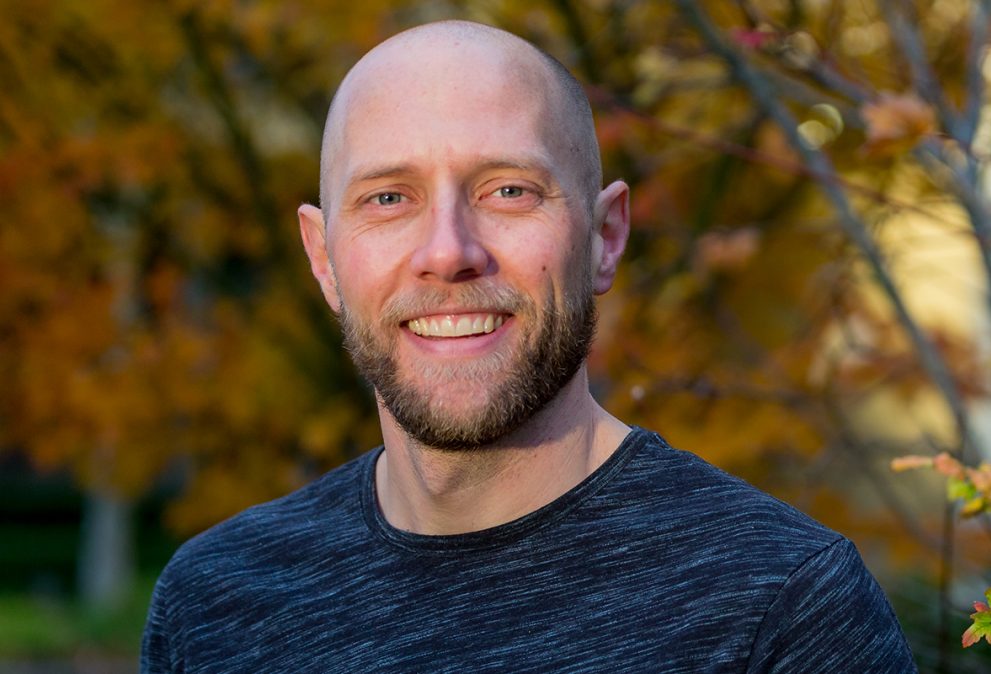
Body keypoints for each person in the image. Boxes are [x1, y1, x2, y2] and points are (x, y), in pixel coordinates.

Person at [140, 20, 915, 673]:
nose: (448, 252)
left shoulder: (783, 607)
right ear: (323, 257)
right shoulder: (213, 607)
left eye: (507, 189)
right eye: (388, 199)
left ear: (606, 237)